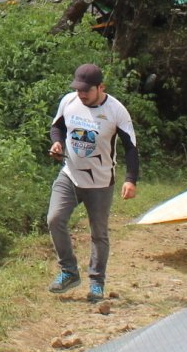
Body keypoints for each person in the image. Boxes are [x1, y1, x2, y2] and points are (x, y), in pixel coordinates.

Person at [46, 63, 139, 302]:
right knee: (55, 219)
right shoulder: (69, 102)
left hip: (100, 182)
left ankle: (97, 282)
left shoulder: (117, 111)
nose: (82, 94)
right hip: (71, 175)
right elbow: (57, 128)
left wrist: (131, 179)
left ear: (101, 87)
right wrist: (57, 143)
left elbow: (131, 147)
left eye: (87, 90)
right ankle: (69, 271)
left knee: (99, 233)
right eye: (78, 89)